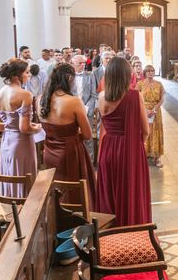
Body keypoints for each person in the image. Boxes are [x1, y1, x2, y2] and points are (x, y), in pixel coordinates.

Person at [96, 57, 152, 226]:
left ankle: (109, 232)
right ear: (126, 75)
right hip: (129, 150)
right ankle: (131, 230)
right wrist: (137, 145)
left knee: (110, 192)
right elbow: (145, 130)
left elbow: (104, 125)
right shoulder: (135, 96)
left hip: (108, 148)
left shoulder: (101, 97)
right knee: (130, 192)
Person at [39, 63, 96, 209]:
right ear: (70, 78)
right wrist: (72, 136)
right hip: (70, 152)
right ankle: (74, 221)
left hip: (49, 151)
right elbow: (88, 134)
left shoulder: (40, 100)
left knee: (56, 188)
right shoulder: (73, 101)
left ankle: (56, 219)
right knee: (73, 191)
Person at [0, 58, 43, 197]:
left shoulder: (0, 92)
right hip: (22, 143)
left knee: (10, 177)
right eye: (27, 72)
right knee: (25, 177)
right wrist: (37, 128)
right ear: (17, 75)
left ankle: (12, 210)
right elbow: (24, 128)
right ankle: (26, 212)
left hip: (6, 142)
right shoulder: (25, 94)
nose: (29, 75)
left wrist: (10, 127)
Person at [136, 65, 166, 168]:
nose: (150, 73)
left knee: (156, 132)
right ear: (145, 73)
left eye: (152, 71)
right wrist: (145, 110)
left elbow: (162, 98)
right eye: (148, 71)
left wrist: (154, 109)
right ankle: (143, 155)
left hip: (155, 112)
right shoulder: (140, 84)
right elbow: (136, 98)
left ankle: (157, 157)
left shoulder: (159, 84)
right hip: (143, 110)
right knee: (144, 131)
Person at [71, 54, 98, 161]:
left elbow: (94, 95)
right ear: (73, 65)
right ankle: (75, 162)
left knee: (88, 137)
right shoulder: (69, 76)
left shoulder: (90, 75)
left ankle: (89, 163)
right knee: (73, 137)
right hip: (71, 111)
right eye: (80, 63)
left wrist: (86, 108)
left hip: (87, 111)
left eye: (84, 63)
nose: (83, 65)